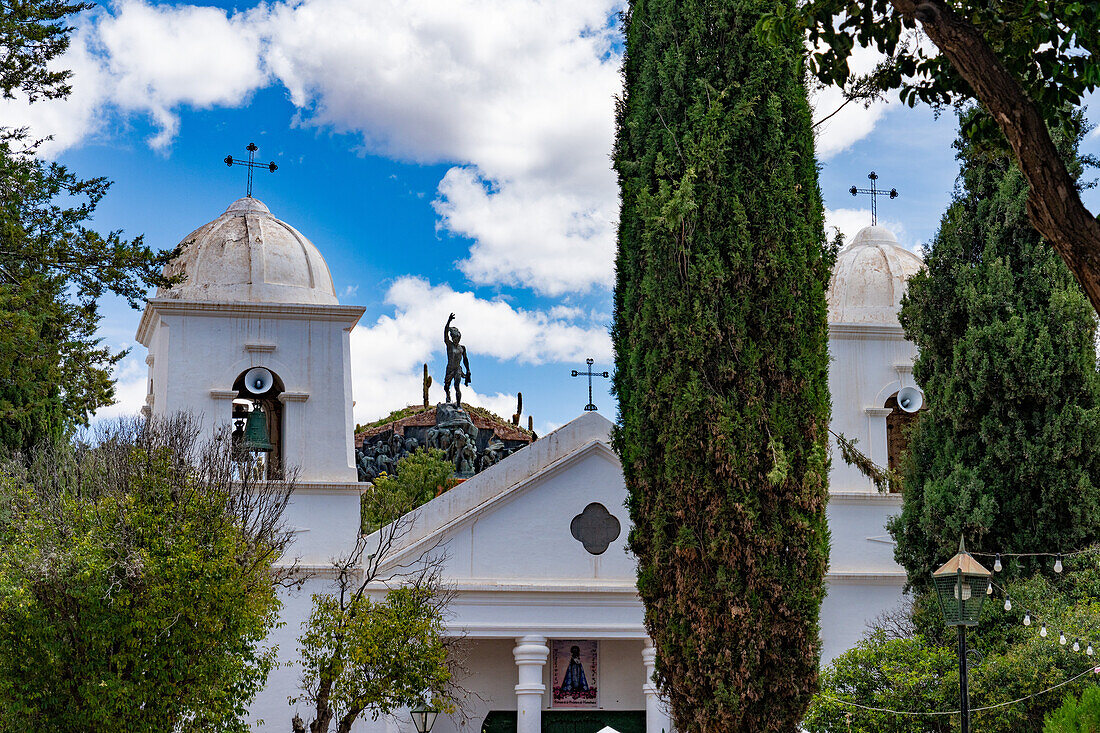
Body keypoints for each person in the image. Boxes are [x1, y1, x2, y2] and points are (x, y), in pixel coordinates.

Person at [443, 312, 471, 404]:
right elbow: (445, 333)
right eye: (455, 338)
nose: (457, 340)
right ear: (452, 338)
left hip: (457, 369)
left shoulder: (462, 348)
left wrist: (468, 370)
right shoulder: (449, 345)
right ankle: (448, 395)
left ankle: (458, 405)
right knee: (446, 386)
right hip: (450, 368)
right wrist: (449, 321)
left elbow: (465, 359)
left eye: (458, 338)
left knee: (457, 386)